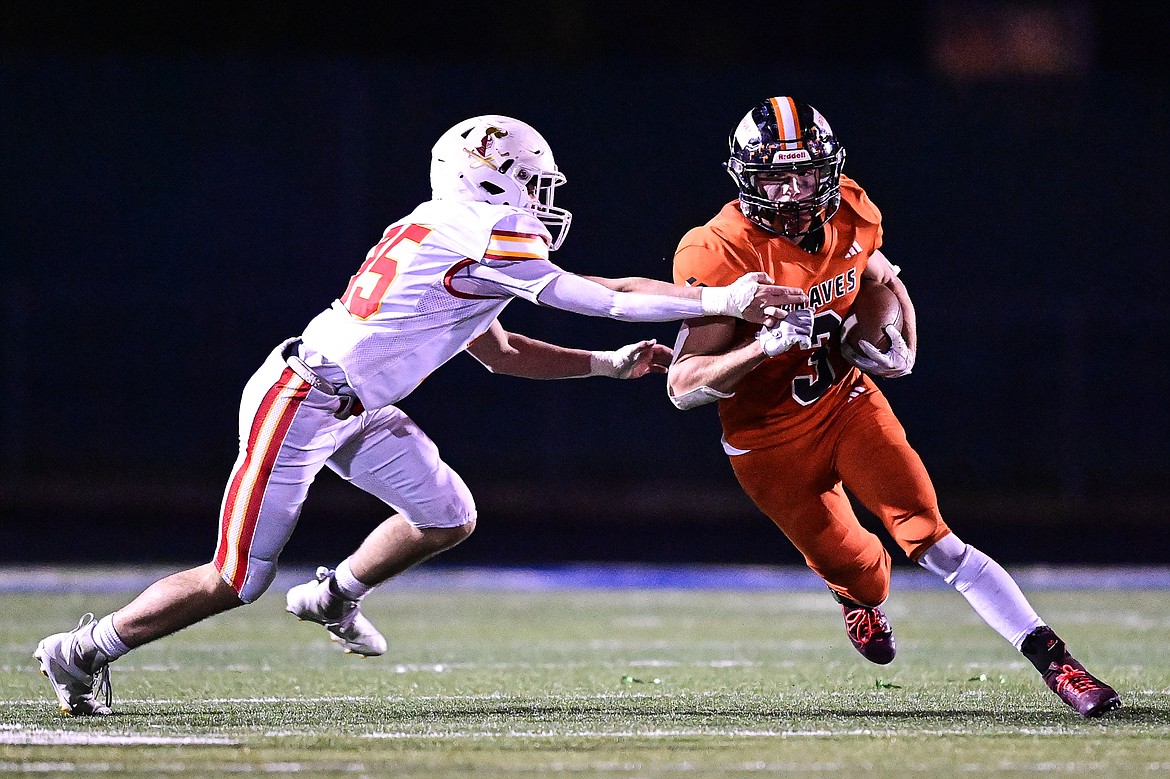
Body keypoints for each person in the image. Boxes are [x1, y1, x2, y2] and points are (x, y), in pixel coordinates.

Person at [34, 114, 810, 716]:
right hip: (301, 398)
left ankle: (335, 593)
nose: (542, 199)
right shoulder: (477, 231)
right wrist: (723, 297)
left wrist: (603, 366)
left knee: (447, 513)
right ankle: (81, 648)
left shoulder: (449, 232)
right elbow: (597, 296)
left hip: (354, 402)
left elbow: (501, 350)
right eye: (530, 182)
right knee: (237, 577)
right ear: (489, 179)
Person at [664, 96, 1120, 718]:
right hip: (766, 440)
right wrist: (760, 349)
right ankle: (857, 597)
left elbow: (881, 279)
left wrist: (901, 338)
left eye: (806, 173)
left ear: (829, 170)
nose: (795, 192)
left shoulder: (850, 208)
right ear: (746, 176)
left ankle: (1056, 662)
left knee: (932, 538)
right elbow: (683, 385)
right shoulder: (719, 252)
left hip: (845, 400)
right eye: (776, 176)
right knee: (860, 570)